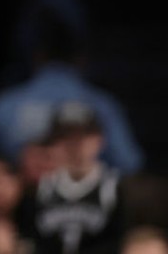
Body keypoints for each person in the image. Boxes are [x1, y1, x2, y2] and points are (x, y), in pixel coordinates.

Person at [0, 10, 144, 177]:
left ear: (37, 57)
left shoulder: (4, 104)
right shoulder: (102, 105)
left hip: (38, 198)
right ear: (81, 59)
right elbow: (128, 164)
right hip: (76, 198)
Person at [29, 101, 127, 254]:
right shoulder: (40, 188)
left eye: (82, 136)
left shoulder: (117, 188)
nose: (74, 145)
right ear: (54, 144)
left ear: (99, 140)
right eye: (66, 137)